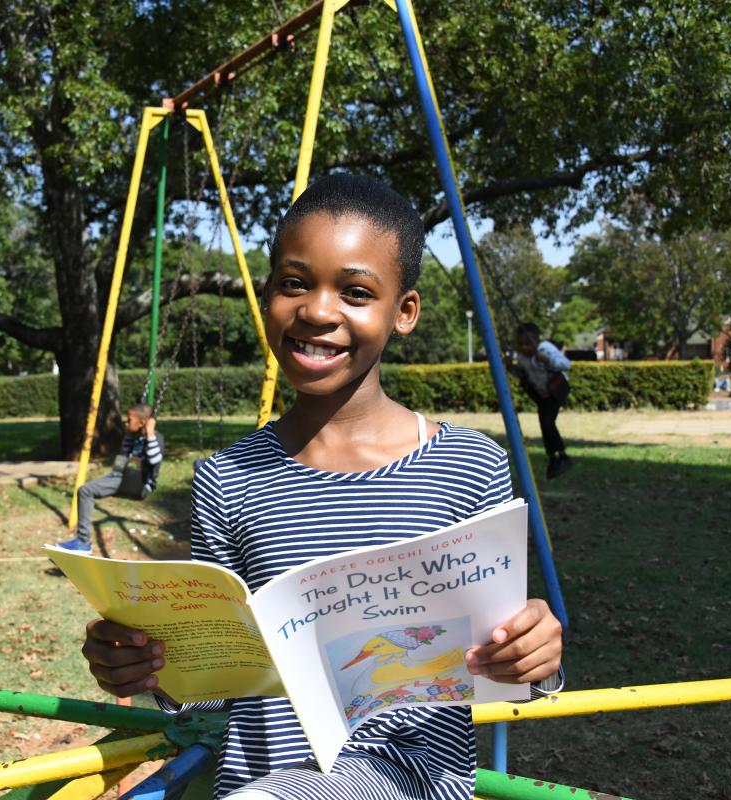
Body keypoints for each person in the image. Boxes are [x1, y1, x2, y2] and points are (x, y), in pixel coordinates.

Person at [80, 175, 563, 799]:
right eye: (294, 283)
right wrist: (144, 661)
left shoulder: (469, 465)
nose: (317, 310)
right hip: (258, 782)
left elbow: (504, 659)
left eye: (356, 291)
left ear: (404, 312)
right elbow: (215, 682)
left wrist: (534, 654)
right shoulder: (226, 477)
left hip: (413, 779)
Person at [56, 403, 163, 553]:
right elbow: (123, 458)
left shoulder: (155, 438)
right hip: (125, 478)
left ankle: (83, 543)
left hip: (141, 485)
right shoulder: (136, 438)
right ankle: (82, 542)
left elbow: (154, 460)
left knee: (86, 491)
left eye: (130, 420)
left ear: (143, 422)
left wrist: (150, 432)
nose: (126, 423)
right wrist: (130, 436)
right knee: (85, 490)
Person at [510, 322, 573, 480]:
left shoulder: (545, 348)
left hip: (555, 390)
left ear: (536, 340)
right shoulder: (522, 357)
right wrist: (510, 367)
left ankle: (562, 457)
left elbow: (566, 364)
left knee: (547, 422)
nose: (524, 348)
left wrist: (547, 361)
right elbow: (522, 374)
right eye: (520, 344)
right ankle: (554, 458)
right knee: (545, 424)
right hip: (541, 394)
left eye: (528, 343)